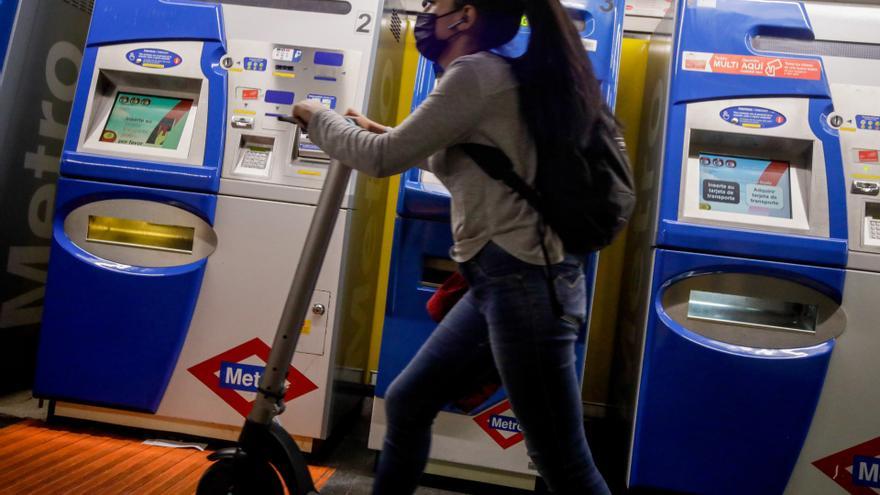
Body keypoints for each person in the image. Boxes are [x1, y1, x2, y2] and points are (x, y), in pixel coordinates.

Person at [292, 0, 610, 493]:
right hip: (503, 280)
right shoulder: (496, 72)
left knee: (562, 461)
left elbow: (381, 161)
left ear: (464, 16)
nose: (422, 10)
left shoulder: (474, 74)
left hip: (525, 285)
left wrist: (317, 116)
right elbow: (474, 158)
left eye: (431, 3)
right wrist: (385, 132)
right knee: (408, 402)